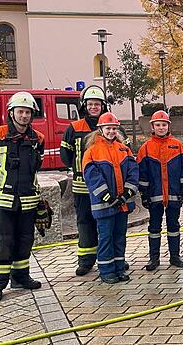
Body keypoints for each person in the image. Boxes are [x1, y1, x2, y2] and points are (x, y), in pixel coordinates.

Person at [0, 91, 47, 302]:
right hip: (1, 201)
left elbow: (36, 167)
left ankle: (21, 277)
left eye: (28, 112)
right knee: (1, 242)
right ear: (11, 112)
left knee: (25, 240)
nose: (24, 116)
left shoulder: (37, 138)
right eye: (20, 111)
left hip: (27, 200)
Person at [82, 112, 139, 284]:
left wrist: (126, 194)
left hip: (122, 204)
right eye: (108, 128)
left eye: (114, 128)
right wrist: (107, 196)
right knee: (106, 238)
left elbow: (133, 172)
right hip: (104, 205)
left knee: (119, 237)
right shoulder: (92, 152)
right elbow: (92, 178)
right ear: (100, 129)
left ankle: (119, 269)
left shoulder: (124, 149)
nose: (111, 131)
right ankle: (106, 271)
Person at [60, 85, 107, 275]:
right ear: (84, 106)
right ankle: (86, 261)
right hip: (82, 187)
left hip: (107, 187)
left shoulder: (111, 125)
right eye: (90, 104)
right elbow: (65, 155)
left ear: (103, 106)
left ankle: (109, 257)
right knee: (85, 223)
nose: (94, 107)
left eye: (97, 104)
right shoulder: (74, 128)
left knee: (107, 224)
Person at [137, 110, 183, 271]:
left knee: (174, 225)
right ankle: (154, 259)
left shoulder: (177, 145)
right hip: (154, 195)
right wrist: (144, 194)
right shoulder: (146, 148)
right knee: (154, 227)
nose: (161, 127)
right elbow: (142, 173)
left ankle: (175, 256)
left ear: (168, 126)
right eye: (158, 125)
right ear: (152, 127)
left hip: (174, 193)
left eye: (164, 125)